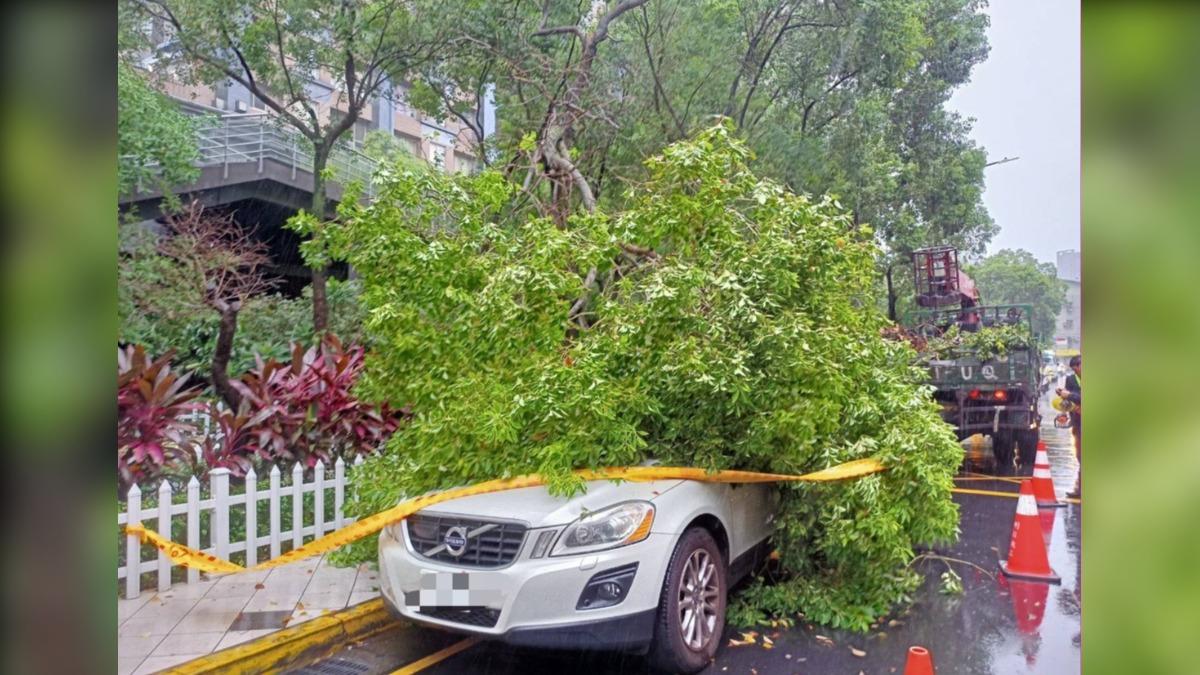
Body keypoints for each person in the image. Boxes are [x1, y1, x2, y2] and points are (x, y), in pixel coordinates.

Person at [1056, 355, 1082, 497]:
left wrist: (1070, 395)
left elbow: (1074, 396)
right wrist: (1063, 411)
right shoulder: (1071, 380)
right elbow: (1067, 401)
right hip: (1078, 423)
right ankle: (1080, 490)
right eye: (1073, 369)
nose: (1076, 371)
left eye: (1077, 367)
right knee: (1080, 456)